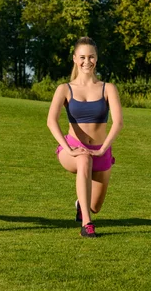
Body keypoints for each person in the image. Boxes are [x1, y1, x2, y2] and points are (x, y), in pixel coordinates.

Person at [47, 36, 123, 238]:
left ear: (96, 59)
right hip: (73, 149)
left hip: (101, 151)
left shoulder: (108, 88)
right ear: (74, 58)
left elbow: (118, 123)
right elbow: (51, 121)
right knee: (83, 159)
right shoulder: (65, 89)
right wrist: (68, 148)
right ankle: (87, 224)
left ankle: (83, 206)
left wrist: (102, 149)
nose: (86, 61)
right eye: (82, 57)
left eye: (91, 57)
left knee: (95, 205)